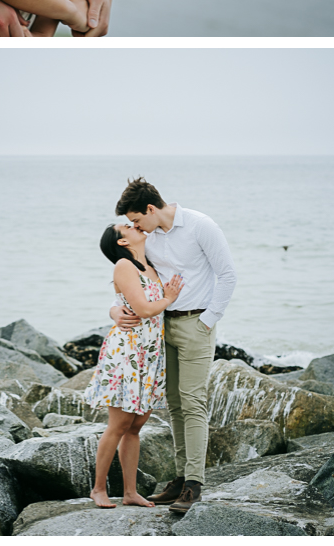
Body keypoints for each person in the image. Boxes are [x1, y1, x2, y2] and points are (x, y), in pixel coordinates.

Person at [110, 178, 237, 513]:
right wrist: (113, 310)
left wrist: (208, 320)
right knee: (175, 405)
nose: (136, 227)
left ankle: (194, 484)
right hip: (162, 328)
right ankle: (180, 479)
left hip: (197, 323)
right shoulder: (148, 239)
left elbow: (227, 275)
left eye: (137, 220)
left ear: (150, 209)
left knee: (194, 402)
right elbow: (128, 280)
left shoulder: (200, 225)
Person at [83, 223, 184, 508]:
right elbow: (143, 309)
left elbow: (121, 301)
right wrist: (169, 298)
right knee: (119, 424)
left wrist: (114, 308)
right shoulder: (124, 265)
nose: (134, 225)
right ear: (123, 241)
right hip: (127, 351)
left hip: (150, 353)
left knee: (136, 425)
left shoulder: (149, 264)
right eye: (126, 226)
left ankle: (130, 492)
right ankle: (98, 489)